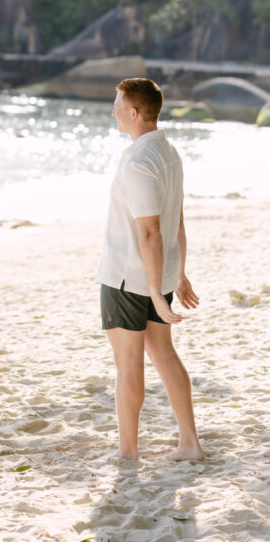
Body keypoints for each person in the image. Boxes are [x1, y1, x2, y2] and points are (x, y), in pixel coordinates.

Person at [97, 77, 205, 462]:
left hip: (128, 276)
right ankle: (190, 444)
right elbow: (177, 218)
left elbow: (150, 232)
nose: (114, 112)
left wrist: (158, 293)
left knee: (128, 364)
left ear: (135, 112)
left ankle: (128, 452)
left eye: (118, 105)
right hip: (155, 273)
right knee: (163, 353)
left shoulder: (139, 163)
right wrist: (177, 274)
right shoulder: (168, 153)